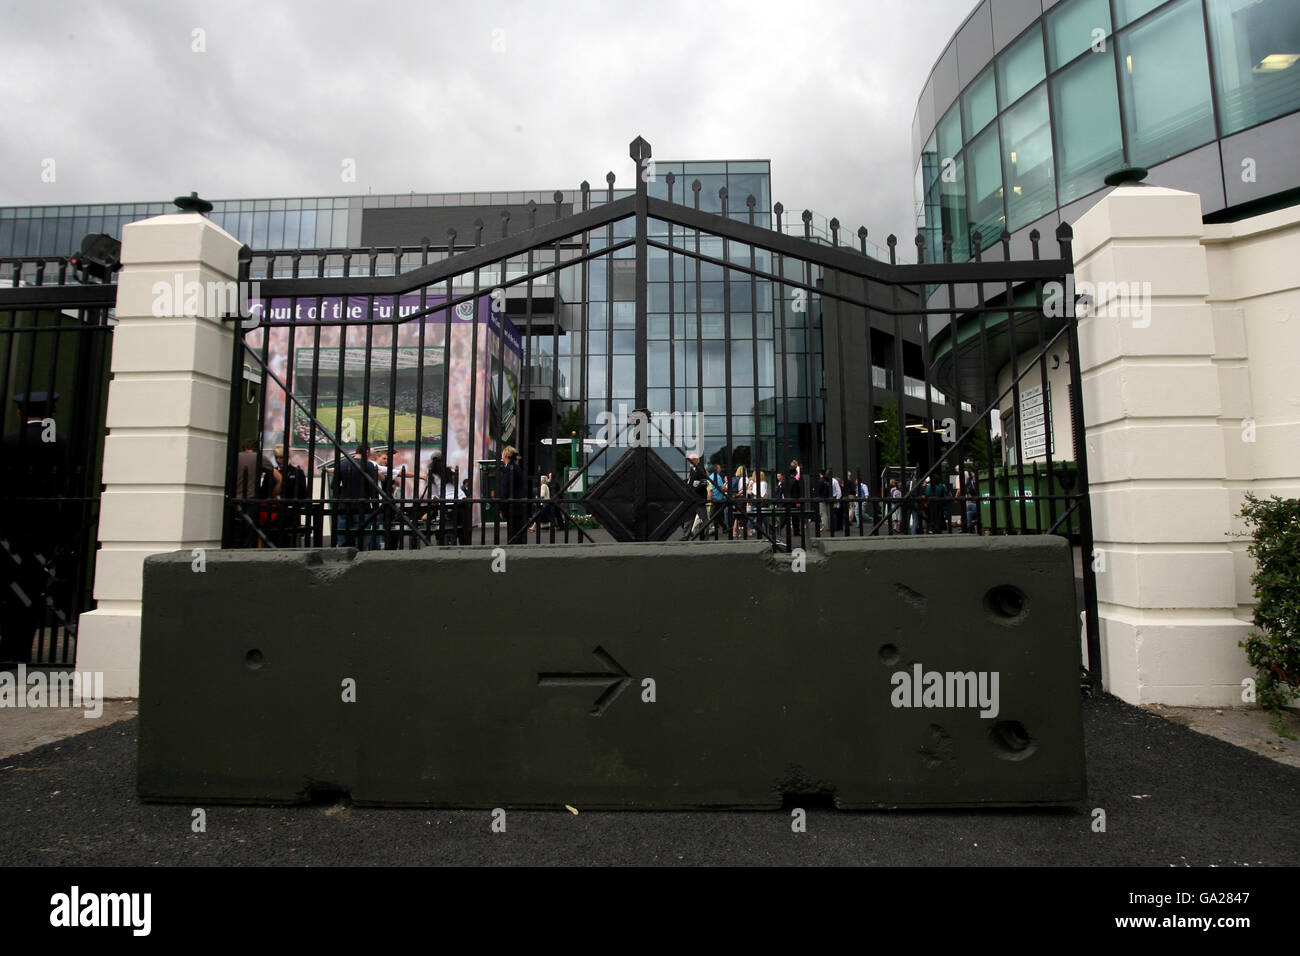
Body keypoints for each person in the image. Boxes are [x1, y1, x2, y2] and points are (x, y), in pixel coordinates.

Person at [0, 392, 69, 664]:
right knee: (33, 588)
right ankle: (20, 650)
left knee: (7, 587)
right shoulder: (61, 444)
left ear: (20, 413)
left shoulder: (9, 442)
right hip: (44, 528)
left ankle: (7, 648)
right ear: (51, 413)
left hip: (10, 527)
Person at [333, 443, 378, 549]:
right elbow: (373, 489)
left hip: (345, 505)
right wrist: (375, 506)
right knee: (361, 539)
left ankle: (343, 557)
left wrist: (343, 494)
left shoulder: (342, 464)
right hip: (363, 506)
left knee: (343, 537)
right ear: (366, 452)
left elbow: (333, 486)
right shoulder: (368, 465)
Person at [265, 444, 310, 547]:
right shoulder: (271, 473)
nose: (279, 460)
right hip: (274, 514)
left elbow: (303, 493)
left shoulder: (297, 472)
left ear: (288, 457)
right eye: (277, 458)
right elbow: (264, 492)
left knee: (290, 543)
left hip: (290, 514)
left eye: (281, 457)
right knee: (273, 542)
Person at [496, 445, 527, 544]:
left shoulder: (508, 469)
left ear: (505, 455)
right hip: (519, 505)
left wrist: (501, 507)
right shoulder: (517, 468)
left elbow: (504, 490)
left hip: (512, 507)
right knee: (519, 535)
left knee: (513, 536)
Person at [684, 452, 708, 540]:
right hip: (693, 498)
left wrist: (694, 490)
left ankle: (705, 537)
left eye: (691, 460)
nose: (690, 462)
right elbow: (692, 481)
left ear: (696, 460)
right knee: (689, 518)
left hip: (698, 498)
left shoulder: (700, 469)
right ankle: (685, 536)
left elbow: (704, 483)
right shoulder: (693, 469)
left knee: (703, 519)